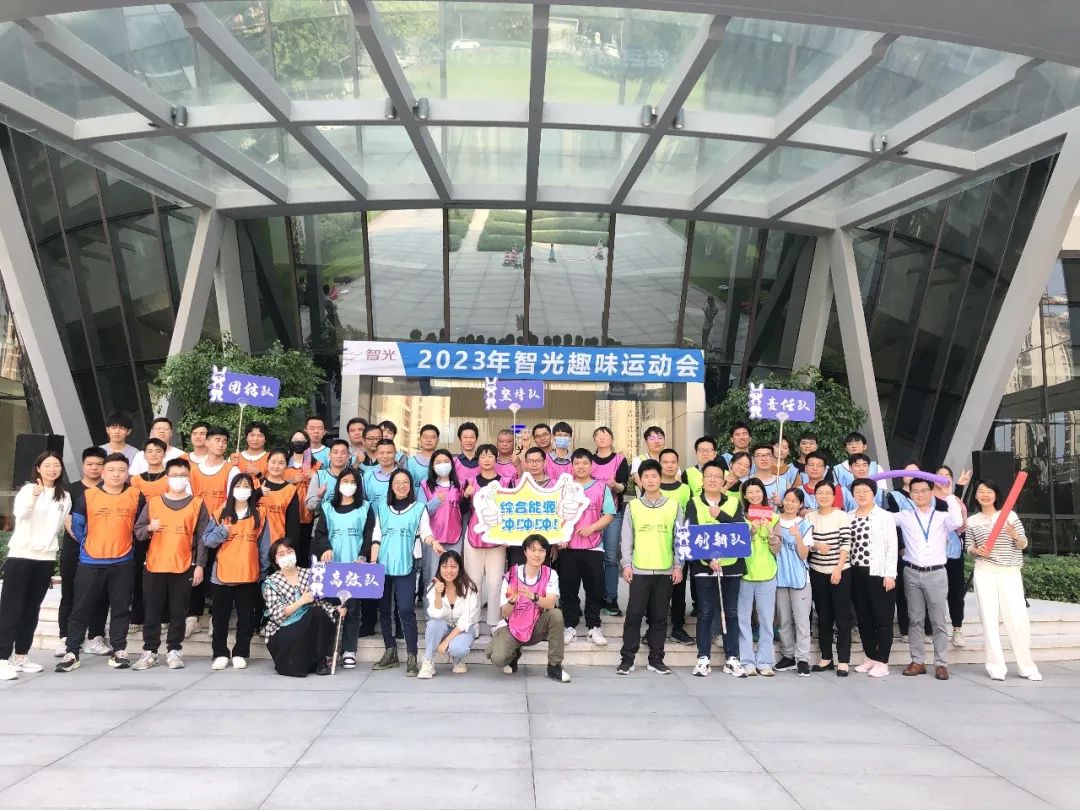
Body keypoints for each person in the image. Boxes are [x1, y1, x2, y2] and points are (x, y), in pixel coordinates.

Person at [56, 453, 146, 673]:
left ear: (127, 474)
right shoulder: (89, 495)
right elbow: (77, 524)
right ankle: (72, 652)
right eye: (111, 470)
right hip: (91, 562)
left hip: (123, 561)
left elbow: (140, 527)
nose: (116, 474)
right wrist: (89, 544)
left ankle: (119, 650)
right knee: (81, 607)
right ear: (103, 473)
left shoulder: (136, 495)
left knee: (121, 608)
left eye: (121, 470)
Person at [131, 458, 210, 671]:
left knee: (178, 612)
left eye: (183, 475)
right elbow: (138, 532)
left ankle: (174, 649)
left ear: (189, 478)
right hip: (155, 565)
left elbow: (203, 538)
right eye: (174, 475)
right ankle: (150, 651)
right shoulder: (154, 502)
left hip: (183, 565)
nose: (179, 479)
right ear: (167, 477)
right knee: (152, 612)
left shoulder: (198, 504)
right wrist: (149, 528)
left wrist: (200, 565)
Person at [0, 452, 71, 680]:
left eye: (56, 465)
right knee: (11, 609)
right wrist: (34, 496)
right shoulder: (28, 490)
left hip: (45, 558)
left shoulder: (65, 496)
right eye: (47, 465)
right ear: (38, 468)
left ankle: (21, 656)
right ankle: (2, 658)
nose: (52, 469)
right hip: (21, 555)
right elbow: (21, 514)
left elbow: (57, 527)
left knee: (32, 608)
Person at [966, 480, 1041, 682]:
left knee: (1017, 620)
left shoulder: (1010, 516)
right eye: (981, 491)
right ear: (976, 496)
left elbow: (1023, 544)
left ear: (996, 495)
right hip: (985, 572)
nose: (985, 495)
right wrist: (976, 550)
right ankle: (995, 666)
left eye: (989, 491)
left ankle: (1026, 666)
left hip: (1009, 572)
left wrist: (1015, 535)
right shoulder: (972, 521)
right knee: (989, 619)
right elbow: (969, 546)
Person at [894, 475, 966, 680]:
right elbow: (880, 517)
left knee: (938, 621)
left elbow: (958, 521)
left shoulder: (942, 517)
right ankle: (917, 661)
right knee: (915, 620)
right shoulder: (905, 516)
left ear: (931, 492)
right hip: (911, 572)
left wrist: (950, 495)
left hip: (936, 573)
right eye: (915, 491)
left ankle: (941, 663)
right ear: (910, 494)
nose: (920, 494)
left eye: (924, 490)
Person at [617, 459, 682, 676]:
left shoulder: (673, 506)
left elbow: (679, 539)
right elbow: (627, 537)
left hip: (665, 569)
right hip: (639, 569)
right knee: (634, 615)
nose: (651, 480)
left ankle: (656, 659)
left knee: (660, 617)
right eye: (646, 476)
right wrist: (626, 564)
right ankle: (627, 659)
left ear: (660, 478)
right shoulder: (633, 506)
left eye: (654, 476)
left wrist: (678, 566)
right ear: (640, 481)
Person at [370, 469, 436, 676]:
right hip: (383, 566)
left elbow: (425, 532)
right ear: (391, 486)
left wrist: (434, 543)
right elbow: (377, 536)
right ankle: (390, 651)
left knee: (406, 610)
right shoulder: (382, 509)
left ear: (410, 485)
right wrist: (372, 561)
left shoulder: (419, 508)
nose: (401, 486)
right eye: (397, 482)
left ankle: (412, 656)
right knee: (384, 610)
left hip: (406, 565)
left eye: (405, 482)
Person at [202, 474, 270, 671]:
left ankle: (240, 652)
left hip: (249, 573)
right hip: (222, 574)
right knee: (220, 617)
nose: (242, 489)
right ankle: (220, 653)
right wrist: (222, 531)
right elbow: (207, 541)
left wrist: (263, 572)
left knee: (246, 617)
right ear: (231, 489)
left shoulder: (260, 514)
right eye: (238, 486)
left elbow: (264, 546)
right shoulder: (220, 513)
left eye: (246, 486)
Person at [311, 468, 374, 670]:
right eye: (345, 481)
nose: (348, 485)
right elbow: (320, 534)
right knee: (331, 609)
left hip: (355, 566)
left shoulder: (365, 507)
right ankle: (330, 651)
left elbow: (369, 535)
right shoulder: (328, 507)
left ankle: (349, 650)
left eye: (352, 481)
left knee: (352, 610)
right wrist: (326, 549)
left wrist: (363, 556)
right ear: (339, 484)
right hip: (333, 567)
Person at [684, 461, 742, 678]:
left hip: (731, 565)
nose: (713, 480)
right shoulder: (693, 502)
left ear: (723, 480)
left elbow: (739, 529)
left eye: (717, 476)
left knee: (731, 612)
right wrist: (709, 558)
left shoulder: (734, 502)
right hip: (704, 566)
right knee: (706, 611)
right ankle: (703, 658)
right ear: (702, 479)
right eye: (709, 476)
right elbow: (692, 532)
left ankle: (732, 658)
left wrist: (720, 515)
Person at [486, 534, 570, 683]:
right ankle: (513, 653)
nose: (537, 554)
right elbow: (504, 613)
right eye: (533, 550)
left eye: (541, 550)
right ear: (525, 552)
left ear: (546, 553)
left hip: (536, 625)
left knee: (556, 614)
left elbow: (551, 603)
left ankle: (554, 666)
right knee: (498, 658)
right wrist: (511, 603)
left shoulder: (550, 574)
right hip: (512, 626)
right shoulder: (512, 575)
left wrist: (533, 596)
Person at [57, 448, 110, 658]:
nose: (94, 468)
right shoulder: (69, 490)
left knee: (100, 594)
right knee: (69, 593)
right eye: (90, 464)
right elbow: (66, 520)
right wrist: (83, 539)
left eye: (99, 464)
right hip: (74, 550)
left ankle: (95, 637)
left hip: (102, 551)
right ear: (83, 465)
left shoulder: (111, 489)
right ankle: (65, 637)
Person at [558, 449, 615, 647]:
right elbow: (556, 515)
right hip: (568, 548)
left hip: (593, 548)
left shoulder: (601, 487)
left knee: (594, 589)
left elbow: (609, 514)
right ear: (571, 466)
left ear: (591, 465)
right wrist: (560, 535)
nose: (580, 466)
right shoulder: (564, 488)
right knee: (568, 589)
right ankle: (570, 626)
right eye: (577, 463)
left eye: (584, 463)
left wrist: (592, 527)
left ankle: (593, 626)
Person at [262, 540, 344, 677]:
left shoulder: (310, 574)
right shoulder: (271, 582)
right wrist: (301, 601)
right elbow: (277, 614)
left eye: (289, 552)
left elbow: (321, 603)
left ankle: (321, 660)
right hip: (284, 628)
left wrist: (336, 610)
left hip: (307, 624)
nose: (286, 556)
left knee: (318, 612)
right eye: (281, 554)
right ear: (275, 560)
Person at [186, 426, 239, 636]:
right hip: (197, 526)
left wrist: (217, 523)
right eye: (217, 440)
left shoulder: (231, 470)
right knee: (195, 569)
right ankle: (193, 616)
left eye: (225, 441)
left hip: (220, 527)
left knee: (218, 572)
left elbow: (233, 499)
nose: (221, 444)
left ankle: (217, 617)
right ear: (206, 442)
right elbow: (188, 498)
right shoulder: (193, 470)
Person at [848, 478, 898, 678]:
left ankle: (882, 661)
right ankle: (870, 656)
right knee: (863, 617)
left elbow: (892, 546)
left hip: (878, 573)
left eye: (865, 491)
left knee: (882, 618)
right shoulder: (849, 516)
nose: (861, 494)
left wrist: (890, 574)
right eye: (857, 491)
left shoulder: (884, 516)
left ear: (874, 494)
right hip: (855, 572)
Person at [463, 444, 514, 632]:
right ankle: (473, 622)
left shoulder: (506, 482)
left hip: (497, 539)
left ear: (496, 459)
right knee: (473, 581)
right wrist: (465, 496)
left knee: (495, 582)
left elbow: (511, 510)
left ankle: (494, 622)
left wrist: (509, 535)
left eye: (490, 456)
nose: (486, 460)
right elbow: (462, 510)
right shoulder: (470, 482)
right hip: (474, 537)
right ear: (478, 460)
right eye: (483, 456)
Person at [806, 480, 853, 676]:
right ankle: (826, 658)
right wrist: (817, 545)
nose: (824, 496)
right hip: (817, 571)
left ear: (834, 496)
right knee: (823, 617)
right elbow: (807, 542)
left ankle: (843, 660)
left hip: (840, 571)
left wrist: (838, 568)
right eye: (820, 493)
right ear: (815, 495)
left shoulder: (842, 516)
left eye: (828, 493)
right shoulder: (809, 517)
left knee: (842, 618)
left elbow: (846, 543)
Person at [737, 478, 780, 677]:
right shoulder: (739, 517)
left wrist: (771, 533)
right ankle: (747, 661)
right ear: (745, 496)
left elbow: (776, 549)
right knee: (743, 620)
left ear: (763, 493)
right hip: (744, 575)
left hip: (767, 574)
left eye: (758, 491)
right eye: (750, 492)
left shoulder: (774, 517)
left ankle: (765, 661)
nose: (754, 495)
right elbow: (736, 547)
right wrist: (751, 531)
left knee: (766, 620)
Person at [128, 437, 171, 631]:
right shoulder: (135, 480)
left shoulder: (170, 479)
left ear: (164, 454)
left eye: (158, 451)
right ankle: (137, 616)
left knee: (163, 574)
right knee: (138, 574)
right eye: (150, 451)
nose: (154, 454)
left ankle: (164, 616)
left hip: (164, 532)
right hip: (141, 531)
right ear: (144, 455)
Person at [419, 549, 480, 678]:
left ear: (460, 568)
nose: (449, 571)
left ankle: (458, 659)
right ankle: (428, 661)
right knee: (433, 624)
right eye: (445, 566)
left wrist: (446, 641)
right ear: (439, 568)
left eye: (453, 566)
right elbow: (435, 615)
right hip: (444, 627)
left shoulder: (469, 588)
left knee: (457, 649)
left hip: (464, 629)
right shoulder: (433, 587)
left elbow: (466, 620)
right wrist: (438, 594)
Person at [772, 488, 812, 676]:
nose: (789, 503)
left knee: (802, 620)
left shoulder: (805, 525)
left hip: (800, 578)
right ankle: (788, 655)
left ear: (800, 504)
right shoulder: (774, 521)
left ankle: (803, 659)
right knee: (784, 620)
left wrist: (797, 536)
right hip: (779, 577)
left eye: (794, 501)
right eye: (787, 499)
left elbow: (804, 555)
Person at [591, 427, 629, 616]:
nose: (602, 438)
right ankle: (595, 598)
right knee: (593, 558)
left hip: (612, 514)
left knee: (611, 557)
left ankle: (610, 599)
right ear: (594, 440)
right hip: (590, 514)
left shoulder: (620, 460)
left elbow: (623, 487)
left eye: (605, 435)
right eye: (598, 435)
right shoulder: (588, 460)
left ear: (612, 439)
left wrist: (614, 485)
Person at [936, 466, 970, 648]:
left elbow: (960, 523)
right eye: (939, 475)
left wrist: (958, 489)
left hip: (954, 552)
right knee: (933, 594)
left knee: (955, 593)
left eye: (947, 475)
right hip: (932, 555)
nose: (943, 478)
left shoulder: (954, 500)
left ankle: (957, 629)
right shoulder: (926, 498)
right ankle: (933, 630)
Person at [420, 449, 465, 584]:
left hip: (455, 536)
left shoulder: (460, 485)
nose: (443, 465)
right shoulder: (425, 485)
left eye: (446, 462)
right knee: (432, 575)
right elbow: (421, 512)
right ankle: (431, 598)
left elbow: (464, 509)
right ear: (433, 466)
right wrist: (436, 501)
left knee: (453, 574)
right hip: (433, 538)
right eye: (438, 462)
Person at [507, 447, 555, 568]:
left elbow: (559, 515)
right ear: (526, 463)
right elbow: (508, 512)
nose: (534, 464)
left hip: (544, 540)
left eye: (537, 461)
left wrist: (556, 542)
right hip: (519, 541)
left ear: (545, 462)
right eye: (530, 461)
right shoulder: (517, 484)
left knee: (541, 576)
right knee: (517, 575)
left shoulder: (555, 486)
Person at [283, 430, 321, 567]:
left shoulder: (317, 465)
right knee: (290, 547)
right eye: (295, 440)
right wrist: (291, 480)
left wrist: (315, 478)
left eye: (302, 440)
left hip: (309, 513)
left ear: (307, 443)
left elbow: (324, 486)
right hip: (288, 513)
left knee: (306, 547)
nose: (298, 443)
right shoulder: (283, 464)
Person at [260, 449, 300, 547]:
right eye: (273, 462)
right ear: (267, 463)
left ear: (286, 466)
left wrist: (286, 545)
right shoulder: (255, 484)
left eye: (281, 463)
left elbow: (293, 524)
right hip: (254, 542)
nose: (276, 466)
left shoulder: (290, 490)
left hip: (277, 543)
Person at [305, 439, 352, 510]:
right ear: (329, 455)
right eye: (335, 452)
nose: (339, 456)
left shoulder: (354, 475)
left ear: (348, 456)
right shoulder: (319, 475)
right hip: (323, 516)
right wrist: (319, 496)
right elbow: (309, 506)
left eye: (343, 453)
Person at [363, 439, 400, 509]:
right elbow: (364, 500)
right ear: (376, 454)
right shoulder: (368, 475)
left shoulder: (403, 475)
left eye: (389, 452)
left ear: (395, 453)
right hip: (372, 515)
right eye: (381, 453)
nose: (385, 456)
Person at [407, 424, 440, 488]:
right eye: (425, 437)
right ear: (420, 439)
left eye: (432, 437)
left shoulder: (442, 460)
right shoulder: (411, 462)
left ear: (438, 440)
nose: (429, 440)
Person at [454, 422, 482, 491]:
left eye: (472, 437)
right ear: (460, 439)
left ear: (476, 439)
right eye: (465, 437)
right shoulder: (454, 462)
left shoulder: (483, 460)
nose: (468, 440)